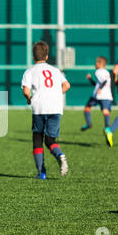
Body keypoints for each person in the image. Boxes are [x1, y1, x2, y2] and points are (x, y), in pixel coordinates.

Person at [21, 41, 70, 180]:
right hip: (55, 107)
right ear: (47, 56)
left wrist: (29, 98)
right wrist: (55, 95)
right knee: (50, 139)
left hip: (39, 107)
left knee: (37, 138)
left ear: (33, 56)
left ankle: (41, 173)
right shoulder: (55, 70)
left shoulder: (30, 71)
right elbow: (66, 85)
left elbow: (26, 90)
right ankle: (59, 154)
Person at [81, 56, 113, 131]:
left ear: (100, 63)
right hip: (107, 95)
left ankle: (89, 123)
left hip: (98, 94)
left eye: (96, 62)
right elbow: (98, 83)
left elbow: (104, 81)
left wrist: (100, 89)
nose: (95, 64)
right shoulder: (106, 72)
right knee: (105, 111)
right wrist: (90, 79)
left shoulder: (98, 71)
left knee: (87, 108)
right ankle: (107, 128)